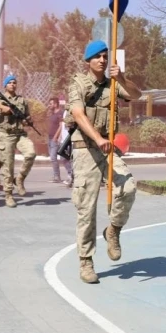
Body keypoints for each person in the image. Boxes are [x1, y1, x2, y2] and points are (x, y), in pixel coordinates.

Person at [65, 40, 142, 283]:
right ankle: (86, 262)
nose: (102, 60)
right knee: (86, 208)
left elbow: (136, 95)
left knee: (128, 187)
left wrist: (122, 78)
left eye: (105, 56)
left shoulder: (113, 83)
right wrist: (98, 138)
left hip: (108, 148)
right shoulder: (78, 84)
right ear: (88, 60)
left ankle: (114, 230)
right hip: (86, 148)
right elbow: (77, 113)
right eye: (97, 56)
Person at [0, 75, 35, 207]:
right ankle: (8, 194)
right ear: (5, 86)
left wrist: (28, 120)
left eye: (14, 82)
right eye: (9, 83)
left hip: (20, 133)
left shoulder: (22, 100)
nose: (12, 84)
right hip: (5, 135)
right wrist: (0, 108)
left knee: (31, 153)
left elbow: (26, 116)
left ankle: (20, 178)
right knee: (8, 166)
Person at [47, 96, 66, 183]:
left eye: (51, 104)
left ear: (55, 104)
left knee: (53, 157)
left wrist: (56, 136)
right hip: (49, 138)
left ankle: (57, 176)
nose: (49, 105)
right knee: (53, 158)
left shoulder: (60, 113)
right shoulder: (52, 113)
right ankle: (56, 176)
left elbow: (61, 125)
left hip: (55, 138)